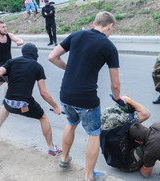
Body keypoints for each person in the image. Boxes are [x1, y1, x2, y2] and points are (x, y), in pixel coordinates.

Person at [48, 11, 121, 181]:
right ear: (110, 26)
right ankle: (89, 176)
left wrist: (70, 69)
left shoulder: (76, 35)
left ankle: (64, 159)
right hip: (86, 98)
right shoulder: (109, 46)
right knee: (94, 133)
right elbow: (115, 84)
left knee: (71, 123)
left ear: (95, 23)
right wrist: (117, 98)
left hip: (65, 93)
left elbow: (52, 56)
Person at [0, 43, 63, 156]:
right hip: (25, 105)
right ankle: (51, 148)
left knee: (5, 105)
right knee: (43, 117)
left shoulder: (12, 62)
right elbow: (43, 93)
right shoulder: (37, 66)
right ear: (35, 54)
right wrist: (55, 107)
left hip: (9, 102)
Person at [101, 95, 150, 172]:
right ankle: (145, 168)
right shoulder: (125, 119)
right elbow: (146, 113)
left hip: (112, 160)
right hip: (128, 164)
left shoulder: (107, 112)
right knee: (152, 140)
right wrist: (130, 101)